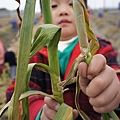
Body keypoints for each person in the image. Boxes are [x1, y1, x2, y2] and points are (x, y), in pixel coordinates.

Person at [6, 0, 120, 120]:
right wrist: (39, 112)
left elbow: (115, 73)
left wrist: (114, 91)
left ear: (87, 14)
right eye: (53, 6)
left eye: (72, 4)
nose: (63, 12)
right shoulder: (32, 54)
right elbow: (17, 93)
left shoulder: (101, 48)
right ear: (42, 19)